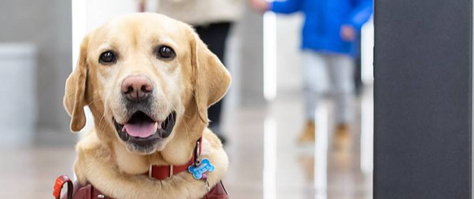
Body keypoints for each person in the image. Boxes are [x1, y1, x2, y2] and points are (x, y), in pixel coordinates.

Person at [250, 0, 373, 148]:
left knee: (342, 88)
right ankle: (310, 124)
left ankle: (342, 125)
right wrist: (269, 6)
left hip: (340, 41)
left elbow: (366, 5)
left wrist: (353, 23)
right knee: (311, 84)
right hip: (312, 40)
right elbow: (294, 4)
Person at [153, 0, 243, 143]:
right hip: (176, 10)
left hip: (218, 9)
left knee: (214, 67)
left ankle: (212, 126)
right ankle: (174, 123)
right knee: (174, 67)